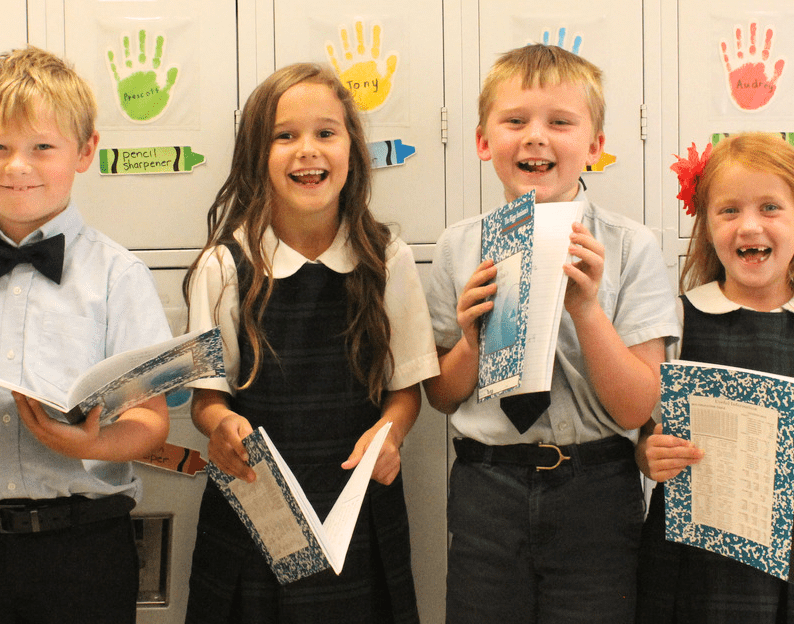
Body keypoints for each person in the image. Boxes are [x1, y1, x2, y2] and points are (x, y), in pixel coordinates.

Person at [0, 46, 171, 624]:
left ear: (85, 150)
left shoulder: (119, 276)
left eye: (42, 147)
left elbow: (150, 424)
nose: (17, 166)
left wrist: (89, 445)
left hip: (86, 550)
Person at [423, 43, 680, 624]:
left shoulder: (628, 246)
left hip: (596, 485)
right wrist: (471, 340)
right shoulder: (456, 248)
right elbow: (441, 395)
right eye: (515, 121)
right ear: (484, 141)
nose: (536, 136)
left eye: (560, 122)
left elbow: (641, 403)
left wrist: (588, 310)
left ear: (595, 147)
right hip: (488, 484)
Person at [183, 62, 439, 624]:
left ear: (352, 149)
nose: (308, 150)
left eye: (326, 133)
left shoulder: (386, 259)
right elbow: (207, 399)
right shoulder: (225, 266)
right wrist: (220, 426)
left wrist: (390, 433)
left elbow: (406, 392)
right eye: (284, 135)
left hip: (358, 513)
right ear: (257, 154)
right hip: (254, 512)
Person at [635, 132, 794, 623]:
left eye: (770, 207)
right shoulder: (679, 321)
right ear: (705, 224)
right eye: (729, 211)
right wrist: (649, 454)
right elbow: (642, 431)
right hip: (692, 562)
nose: (750, 226)